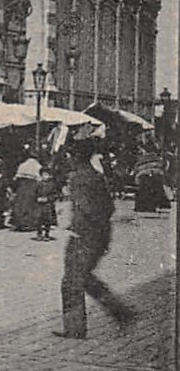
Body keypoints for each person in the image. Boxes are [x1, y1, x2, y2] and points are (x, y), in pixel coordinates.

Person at [56, 142, 136, 339]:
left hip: (84, 235)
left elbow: (87, 208)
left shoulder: (78, 179)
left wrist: (76, 225)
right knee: (84, 277)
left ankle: (75, 329)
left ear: (74, 156)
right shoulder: (97, 177)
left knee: (72, 281)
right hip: (101, 234)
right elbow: (109, 207)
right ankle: (120, 312)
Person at [10, 148, 43, 231]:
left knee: (20, 203)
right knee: (31, 204)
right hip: (32, 185)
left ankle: (19, 223)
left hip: (22, 186)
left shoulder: (22, 165)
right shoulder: (38, 166)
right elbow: (40, 178)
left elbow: (16, 177)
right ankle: (30, 223)